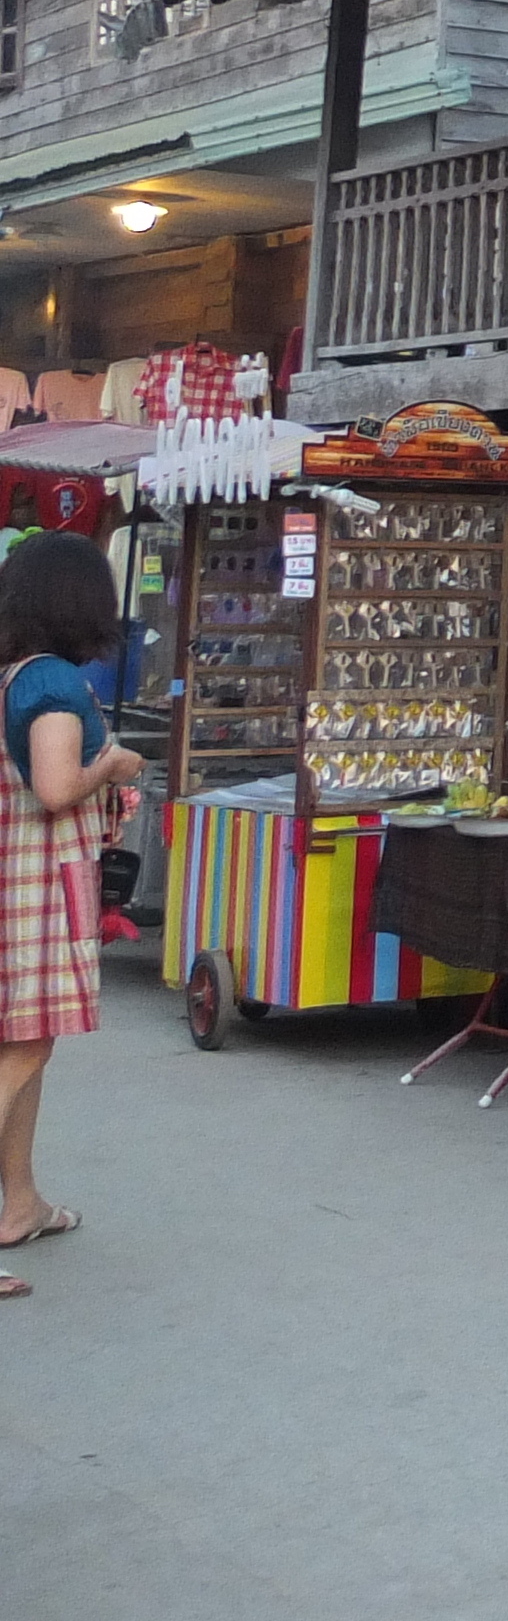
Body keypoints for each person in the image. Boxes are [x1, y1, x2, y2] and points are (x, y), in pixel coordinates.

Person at [0, 533, 145, 1297]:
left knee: (29, 1046)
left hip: (12, 877)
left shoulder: (11, 674)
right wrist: (114, 766)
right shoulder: (53, 683)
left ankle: (20, 1205)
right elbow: (57, 789)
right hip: (33, 885)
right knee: (22, 1051)